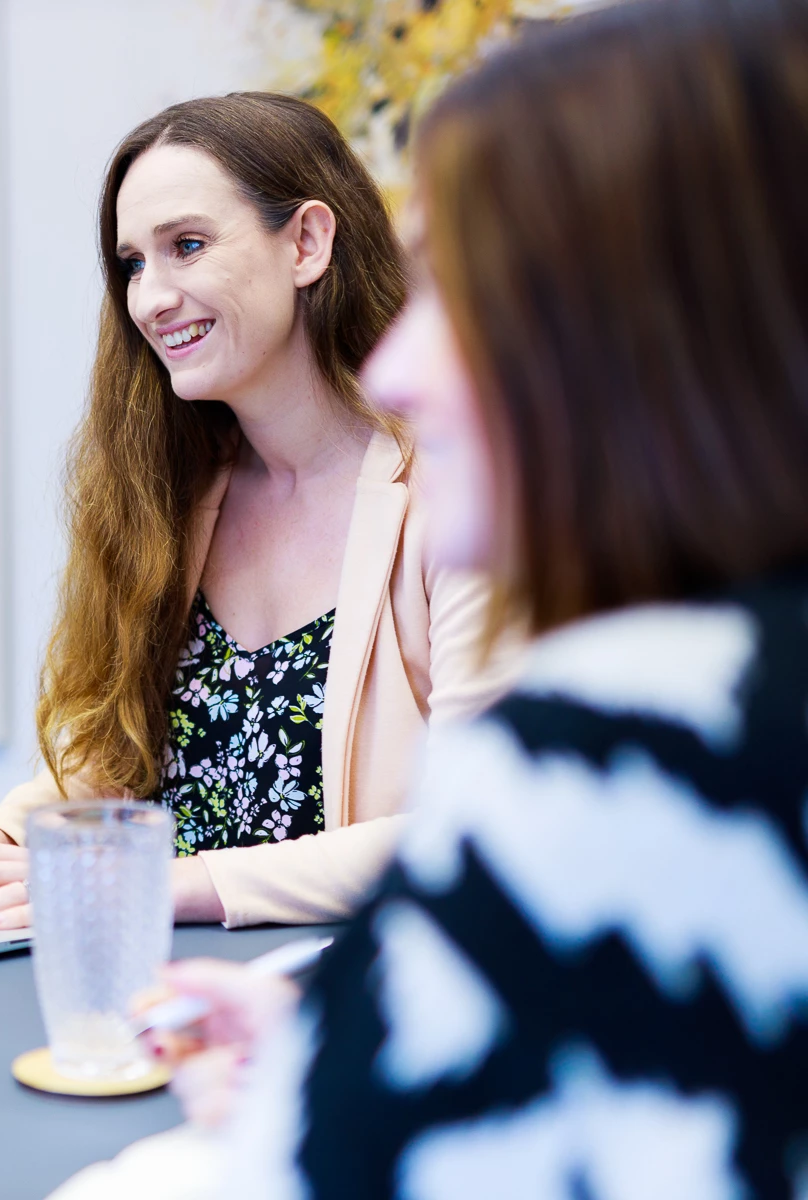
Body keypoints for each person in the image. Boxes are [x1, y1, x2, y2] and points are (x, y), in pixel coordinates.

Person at [58, 0, 808, 1195]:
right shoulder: (174, 499)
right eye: (133, 262)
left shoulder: (645, 741)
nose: (406, 363)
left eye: (471, 292)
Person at [0, 95, 515, 930]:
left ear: (306, 242)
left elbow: (482, 831)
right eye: (133, 264)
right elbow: (113, 755)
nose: (150, 299)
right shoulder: (175, 493)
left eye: (186, 246)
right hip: (148, 977)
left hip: (330, 995)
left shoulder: (457, 501)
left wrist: (142, 884)